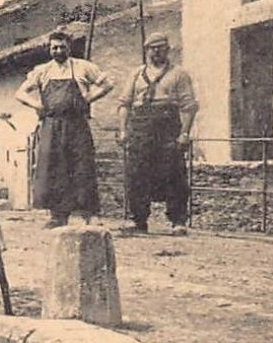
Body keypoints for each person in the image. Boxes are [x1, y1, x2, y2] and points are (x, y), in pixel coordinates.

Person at [14, 31, 114, 227]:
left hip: (77, 124)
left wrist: (88, 98)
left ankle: (89, 214)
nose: (58, 50)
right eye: (54, 47)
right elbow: (20, 93)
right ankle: (58, 216)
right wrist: (37, 106)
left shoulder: (83, 67)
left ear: (69, 47)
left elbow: (108, 84)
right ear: (49, 49)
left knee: (82, 166)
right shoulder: (42, 71)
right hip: (52, 125)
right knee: (54, 168)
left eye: (62, 47)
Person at [117, 33, 197, 235]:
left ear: (167, 49)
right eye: (152, 48)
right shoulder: (136, 74)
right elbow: (124, 104)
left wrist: (184, 134)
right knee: (136, 174)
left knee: (174, 173)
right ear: (146, 50)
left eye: (161, 47)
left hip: (167, 128)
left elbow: (188, 106)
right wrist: (123, 130)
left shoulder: (179, 74)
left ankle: (178, 221)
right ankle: (138, 221)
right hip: (140, 128)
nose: (156, 51)